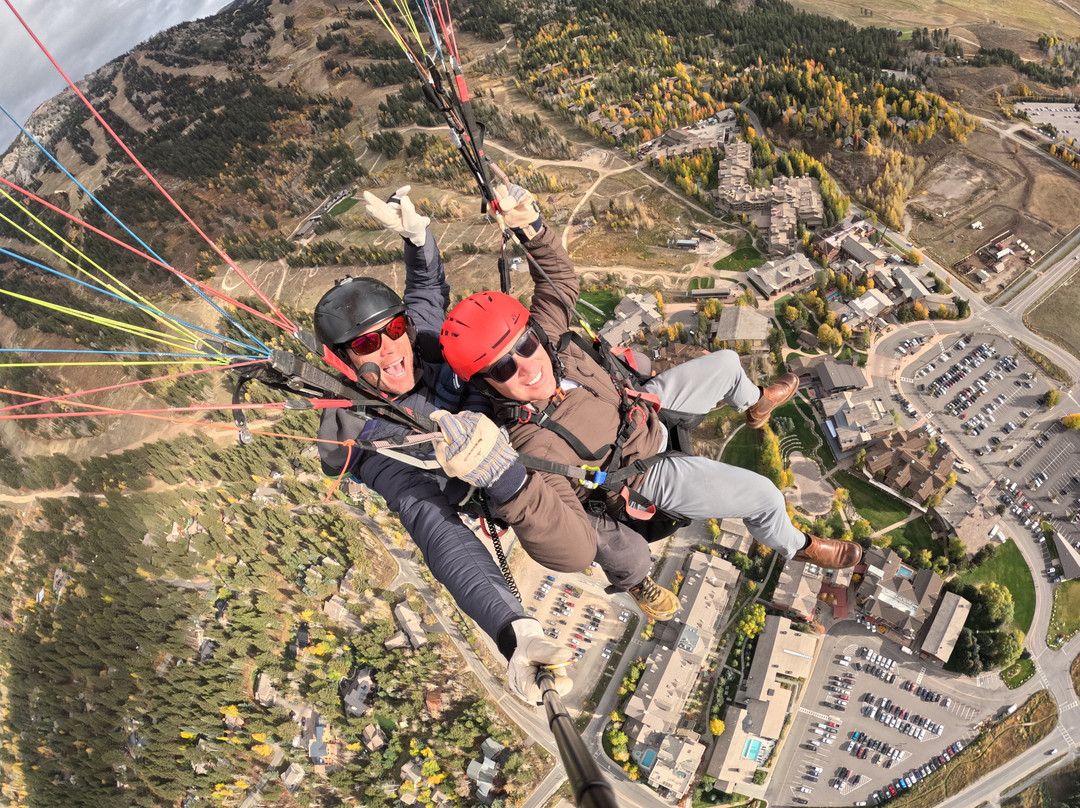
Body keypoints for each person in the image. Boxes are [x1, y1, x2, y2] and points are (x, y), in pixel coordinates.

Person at [434, 184, 862, 620]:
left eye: (524, 346)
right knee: (765, 496)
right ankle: (799, 547)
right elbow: (573, 547)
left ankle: (756, 405)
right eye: (503, 369)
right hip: (641, 474)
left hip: (640, 406)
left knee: (730, 364)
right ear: (486, 383)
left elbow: (558, 281)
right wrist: (511, 486)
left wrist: (531, 228)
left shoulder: (550, 339)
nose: (527, 367)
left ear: (533, 333)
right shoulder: (531, 446)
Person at [313, 187, 570, 703]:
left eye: (394, 330)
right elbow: (436, 532)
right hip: (497, 480)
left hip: (522, 419)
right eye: (365, 344)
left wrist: (418, 237)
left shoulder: (424, 342)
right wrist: (511, 629)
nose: (389, 350)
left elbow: (426, 286)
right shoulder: (375, 445)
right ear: (341, 361)